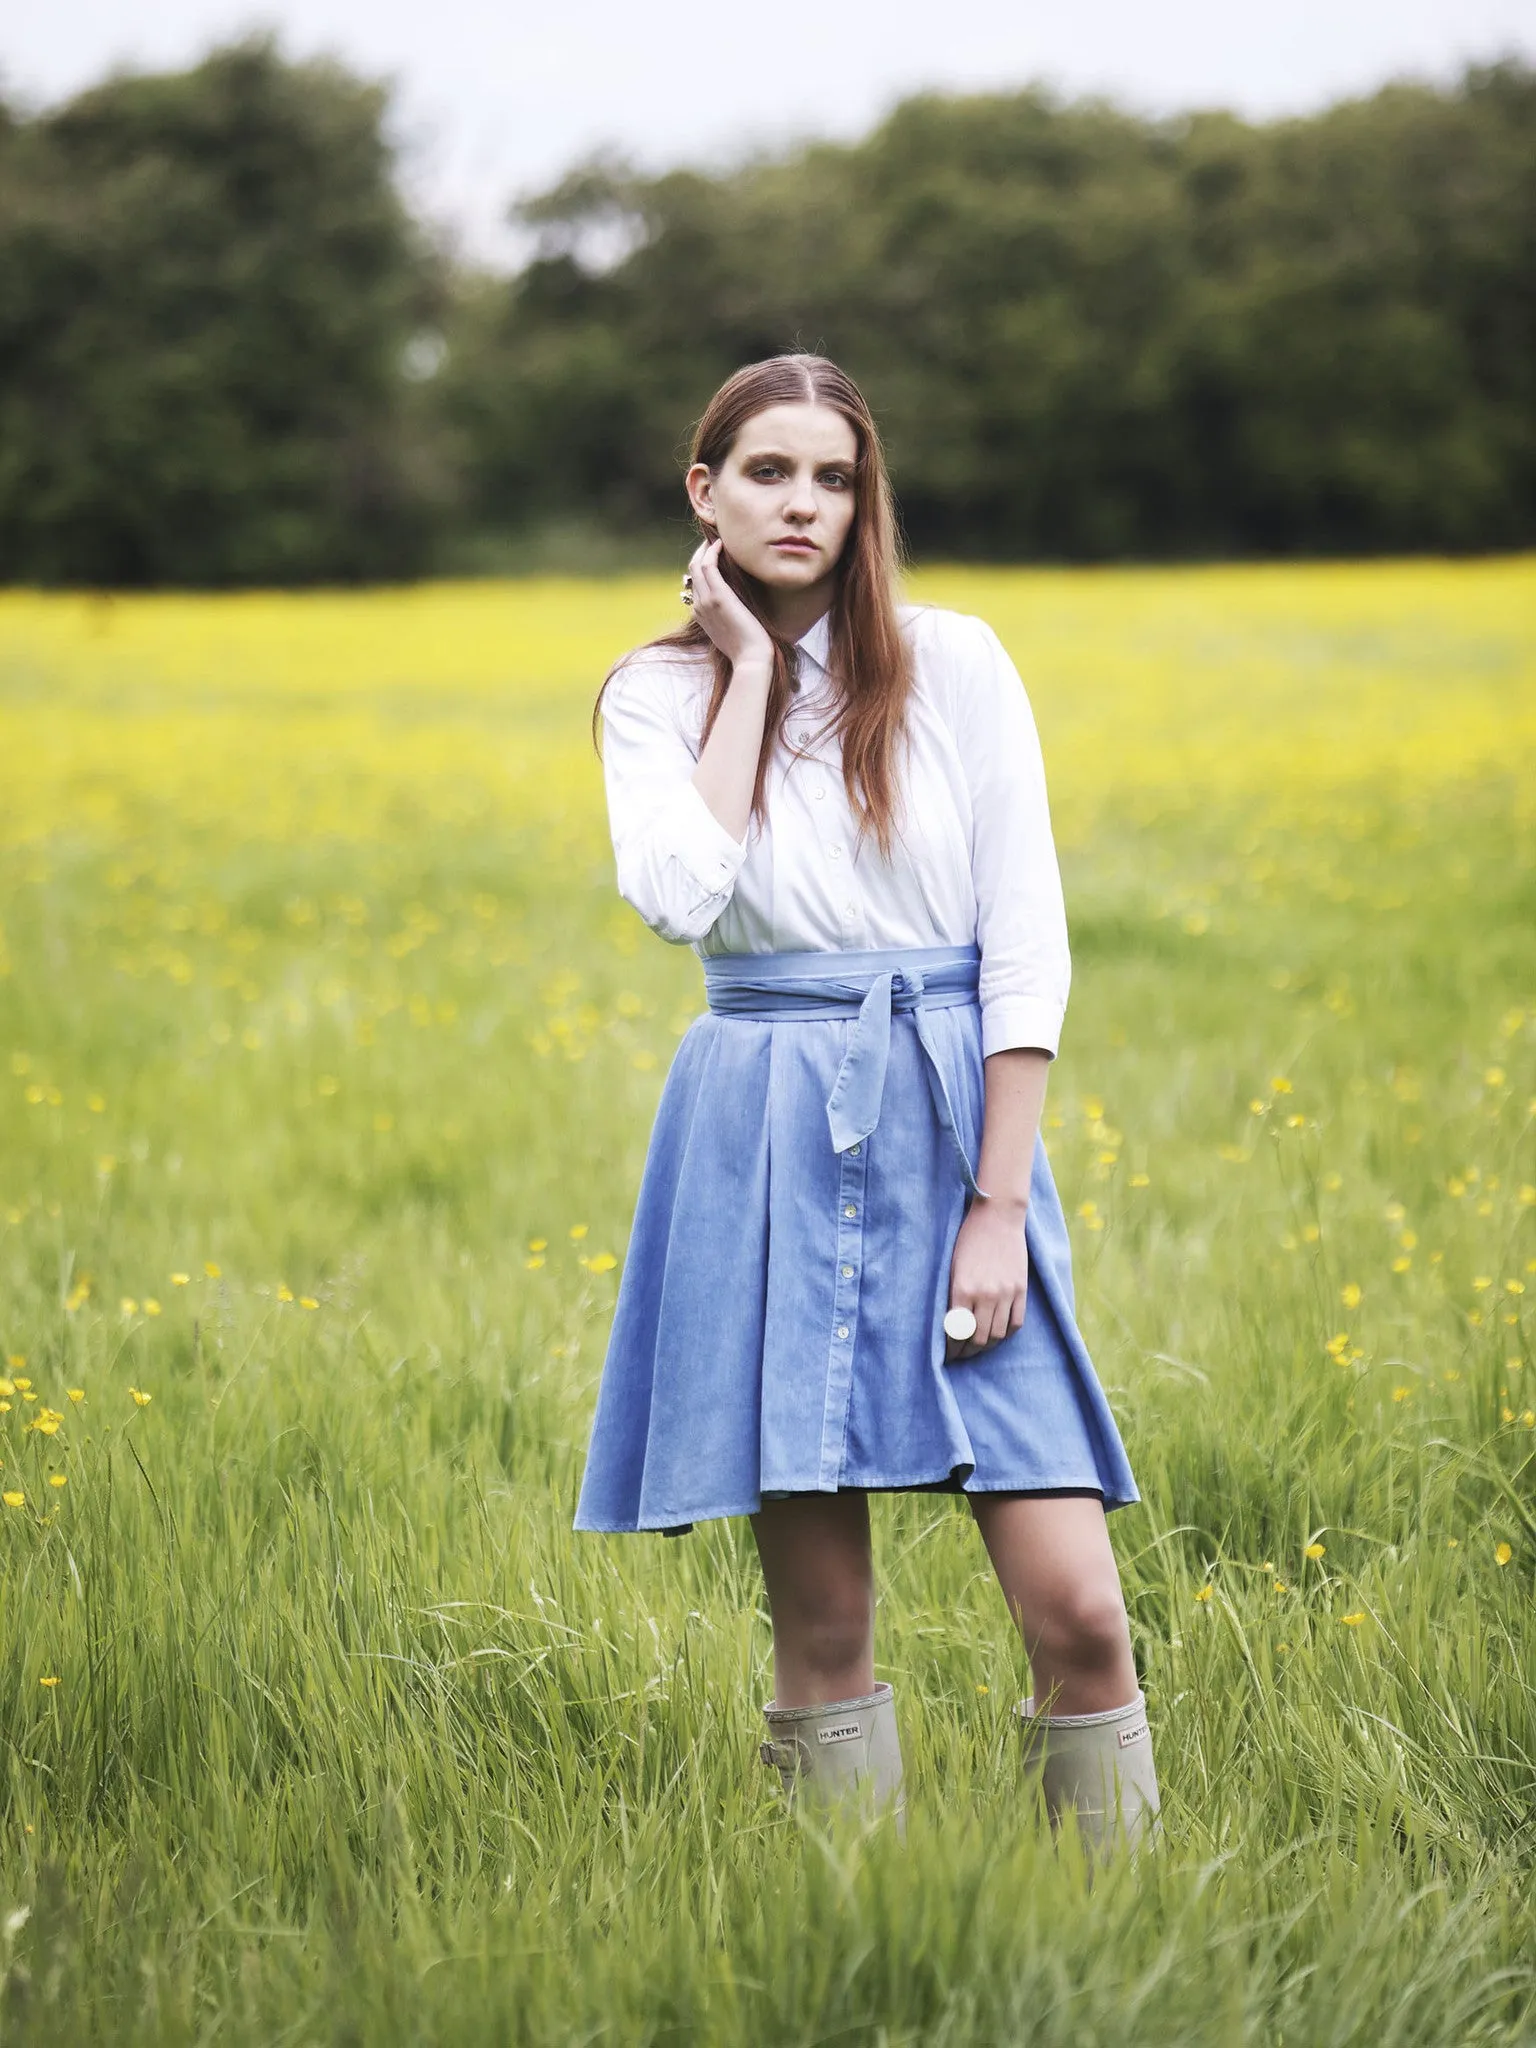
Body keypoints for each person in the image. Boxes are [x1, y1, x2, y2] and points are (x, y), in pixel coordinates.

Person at [573, 353, 1159, 1854]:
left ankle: (1120, 1940)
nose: (804, 504)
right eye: (769, 472)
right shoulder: (655, 695)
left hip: (953, 1120)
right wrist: (752, 675)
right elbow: (678, 897)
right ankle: (862, 1949)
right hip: (763, 1124)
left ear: (864, 500)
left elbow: (1024, 943)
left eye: (834, 478)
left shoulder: (952, 661)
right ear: (704, 493)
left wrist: (1000, 1208)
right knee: (823, 1632)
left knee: (1081, 1614)